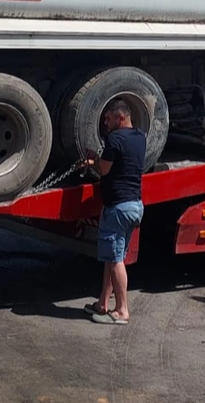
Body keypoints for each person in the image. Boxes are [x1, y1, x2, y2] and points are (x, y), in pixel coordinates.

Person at [80, 98, 146, 324]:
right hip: (135, 205)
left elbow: (105, 170)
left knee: (116, 260)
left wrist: (93, 160)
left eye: (108, 119)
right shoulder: (140, 137)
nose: (105, 123)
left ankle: (122, 311)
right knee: (112, 257)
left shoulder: (115, 138)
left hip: (118, 207)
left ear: (121, 117)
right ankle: (102, 304)